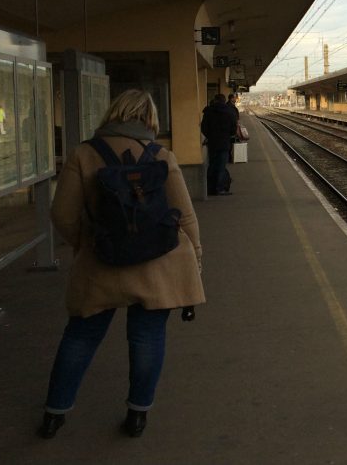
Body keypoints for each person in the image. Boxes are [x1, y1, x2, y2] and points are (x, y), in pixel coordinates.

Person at [39, 89, 204, 439]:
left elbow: (62, 214)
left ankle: (54, 414)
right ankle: (137, 415)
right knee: (147, 336)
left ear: (113, 114)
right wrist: (196, 257)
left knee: (81, 336)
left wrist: (85, 242)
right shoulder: (162, 155)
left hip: (102, 262)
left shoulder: (84, 154)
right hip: (157, 264)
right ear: (149, 120)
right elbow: (185, 217)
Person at [201, 93, 236, 195]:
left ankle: (210, 188)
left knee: (212, 165)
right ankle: (219, 188)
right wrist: (227, 135)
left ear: (215, 100)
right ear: (224, 100)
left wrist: (210, 136)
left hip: (212, 143)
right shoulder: (229, 111)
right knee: (221, 166)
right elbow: (233, 129)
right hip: (224, 143)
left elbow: (204, 128)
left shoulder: (208, 111)